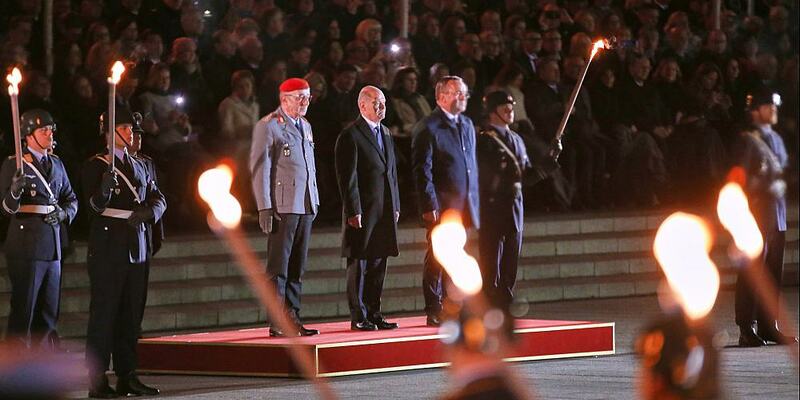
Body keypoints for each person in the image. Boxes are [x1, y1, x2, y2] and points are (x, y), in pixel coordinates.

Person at [82, 106, 166, 397]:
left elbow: (159, 196)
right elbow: (91, 209)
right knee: (105, 314)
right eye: (126, 128)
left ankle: (127, 374)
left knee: (132, 314)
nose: (131, 133)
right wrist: (103, 190)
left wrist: (149, 212)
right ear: (110, 132)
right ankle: (96, 377)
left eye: (132, 129)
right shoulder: (96, 165)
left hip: (137, 242)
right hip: (110, 245)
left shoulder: (141, 164)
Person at [0, 109, 78, 349]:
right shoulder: (15, 164)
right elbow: (6, 208)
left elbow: (71, 199)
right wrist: (14, 191)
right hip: (27, 244)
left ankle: (43, 358)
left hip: (52, 243)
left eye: (50, 130)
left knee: (48, 310)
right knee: (25, 308)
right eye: (43, 130)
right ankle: (16, 362)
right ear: (28, 136)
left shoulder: (56, 163)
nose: (49, 134)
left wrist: (64, 214)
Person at [250, 78, 320, 337]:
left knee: (296, 267)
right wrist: (265, 207)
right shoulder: (269, 126)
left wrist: (314, 198)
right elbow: (261, 169)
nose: (305, 102)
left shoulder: (306, 125)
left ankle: (293, 315)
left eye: (308, 97)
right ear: (285, 99)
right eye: (300, 97)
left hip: (304, 202)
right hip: (283, 204)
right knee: (278, 266)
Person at [411, 76, 479, 327]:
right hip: (441, 206)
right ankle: (434, 306)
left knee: (460, 256)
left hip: (465, 205)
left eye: (464, 93)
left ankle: (456, 304)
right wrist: (429, 205)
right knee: (438, 257)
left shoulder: (468, 124)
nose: (462, 97)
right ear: (441, 97)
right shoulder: (428, 127)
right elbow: (422, 171)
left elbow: (471, 166)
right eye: (456, 93)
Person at [733, 89, 798, 347]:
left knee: (772, 271)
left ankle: (769, 324)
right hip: (757, 210)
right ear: (755, 110)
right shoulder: (748, 140)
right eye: (767, 106)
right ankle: (746, 326)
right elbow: (739, 177)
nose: (773, 110)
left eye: (774, 106)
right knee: (753, 270)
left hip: (777, 210)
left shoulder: (778, 139)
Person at [334, 86, 401, 331]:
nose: (381, 107)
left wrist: (395, 203)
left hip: (384, 208)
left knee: (378, 262)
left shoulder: (385, 132)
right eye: (376, 103)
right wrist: (353, 210)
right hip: (363, 210)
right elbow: (347, 177)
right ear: (362, 105)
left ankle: (375, 312)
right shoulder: (350, 135)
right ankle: (358, 314)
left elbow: (391, 172)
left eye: (383, 102)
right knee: (359, 263)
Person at [477, 91, 531, 311]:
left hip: (514, 208)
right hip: (493, 208)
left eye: (511, 106)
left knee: (510, 259)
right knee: (491, 260)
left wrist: (548, 163)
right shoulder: (485, 140)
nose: (510, 111)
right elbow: (488, 176)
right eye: (504, 107)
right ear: (492, 111)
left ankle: (505, 299)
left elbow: (526, 174)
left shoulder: (517, 139)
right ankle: (489, 302)